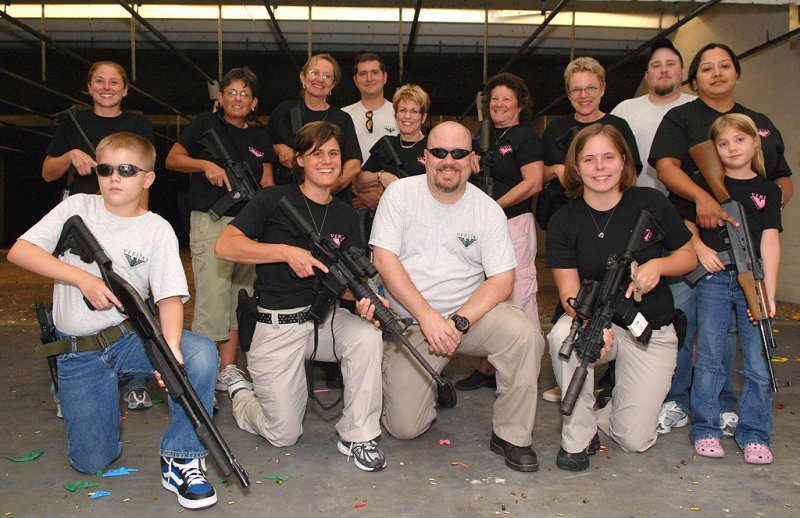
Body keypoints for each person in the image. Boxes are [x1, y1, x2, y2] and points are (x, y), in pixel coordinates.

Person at [8, 132, 219, 510]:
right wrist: (82, 278)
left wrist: (170, 351)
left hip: (127, 339)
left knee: (199, 352)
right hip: (79, 352)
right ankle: (95, 404)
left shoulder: (157, 228)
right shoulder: (76, 208)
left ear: (147, 178)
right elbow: (20, 252)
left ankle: (182, 456)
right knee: (92, 462)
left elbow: (170, 296)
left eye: (126, 169)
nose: (114, 177)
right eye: (105, 169)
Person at [365, 121, 544, 473]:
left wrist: (459, 321)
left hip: (469, 318)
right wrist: (428, 316)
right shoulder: (400, 195)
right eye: (441, 152)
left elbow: (503, 279)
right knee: (404, 428)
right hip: (413, 322)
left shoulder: (487, 209)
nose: (450, 160)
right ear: (425, 157)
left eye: (459, 153)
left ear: (472, 160)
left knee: (524, 334)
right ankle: (433, 384)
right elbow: (383, 260)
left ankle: (512, 435)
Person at [214, 121, 387, 472]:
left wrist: (369, 299)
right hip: (277, 324)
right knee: (284, 433)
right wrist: (284, 252)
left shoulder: (346, 214)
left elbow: (349, 279)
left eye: (334, 153)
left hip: (326, 319)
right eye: (317, 153)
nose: (327, 161)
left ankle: (358, 435)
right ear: (299, 160)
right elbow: (225, 246)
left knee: (368, 335)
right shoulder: (273, 199)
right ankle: (239, 391)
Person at [650, 42, 793, 437]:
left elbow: (780, 178)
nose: (717, 73)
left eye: (725, 65)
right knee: (681, 319)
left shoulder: (757, 121)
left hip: (740, 248)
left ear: (736, 72)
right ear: (694, 78)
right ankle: (677, 400)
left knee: (725, 331)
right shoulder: (681, 117)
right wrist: (705, 199)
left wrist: (763, 211)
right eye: (707, 67)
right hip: (689, 237)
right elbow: (666, 168)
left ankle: (723, 405)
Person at [546, 124, 696, 472]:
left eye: (608, 157)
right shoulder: (563, 220)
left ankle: (613, 407)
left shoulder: (650, 202)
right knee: (562, 339)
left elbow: (688, 256)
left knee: (632, 440)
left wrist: (659, 264)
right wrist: (589, 327)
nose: (600, 167)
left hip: (650, 328)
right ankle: (577, 440)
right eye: (589, 159)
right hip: (596, 321)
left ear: (624, 161)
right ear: (576, 167)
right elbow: (569, 293)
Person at [41, 60, 154, 411]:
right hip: (82, 220)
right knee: (73, 300)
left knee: (132, 293)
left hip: (124, 216)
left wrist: (141, 218)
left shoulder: (138, 124)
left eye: (114, 82)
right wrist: (69, 156)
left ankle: (134, 381)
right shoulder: (71, 123)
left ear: (124, 89)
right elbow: (48, 172)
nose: (107, 87)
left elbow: (144, 174)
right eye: (100, 81)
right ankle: (69, 385)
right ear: (89, 88)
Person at [672, 114, 780, 464]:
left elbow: (769, 243)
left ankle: (755, 434)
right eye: (723, 143)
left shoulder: (768, 190)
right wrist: (701, 250)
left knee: (758, 361)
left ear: (755, 143)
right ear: (714, 149)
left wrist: (767, 292)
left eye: (739, 140)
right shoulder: (703, 185)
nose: (732, 148)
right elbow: (684, 222)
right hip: (713, 279)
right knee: (709, 358)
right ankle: (705, 429)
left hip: (754, 279)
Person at [536, 57, 642, 404]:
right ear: (568, 93)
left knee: (616, 296)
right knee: (569, 301)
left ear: (603, 89)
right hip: (567, 218)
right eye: (576, 89)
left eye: (590, 88)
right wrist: (557, 170)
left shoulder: (617, 125)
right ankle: (568, 372)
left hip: (611, 221)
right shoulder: (556, 128)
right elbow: (547, 172)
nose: (584, 95)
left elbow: (631, 175)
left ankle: (612, 381)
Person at [165, 67, 275, 394]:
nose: (238, 99)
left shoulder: (260, 138)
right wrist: (206, 165)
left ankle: (226, 369)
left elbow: (267, 183)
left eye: (245, 94)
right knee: (212, 298)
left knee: (238, 299)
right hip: (212, 222)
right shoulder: (204, 125)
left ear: (254, 102)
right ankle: (202, 372)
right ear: (221, 96)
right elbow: (173, 158)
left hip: (248, 227)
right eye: (232, 92)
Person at [455, 73, 544, 391]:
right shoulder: (485, 136)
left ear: (520, 104)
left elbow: (533, 181)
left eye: (507, 98)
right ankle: (488, 366)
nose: (499, 104)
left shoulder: (524, 137)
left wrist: (496, 206)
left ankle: (527, 369)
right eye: (494, 99)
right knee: (487, 292)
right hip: (484, 226)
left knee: (520, 292)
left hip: (513, 222)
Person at [268, 53, 361, 200]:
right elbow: (262, 148)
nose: (320, 79)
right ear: (302, 77)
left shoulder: (342, 119)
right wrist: (277, 148)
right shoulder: (284, 111)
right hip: (287, 200)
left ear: (333, 84)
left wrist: (321, 194)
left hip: (331, 202)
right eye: (315, 73)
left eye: (327, 76)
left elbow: (353, 166)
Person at [610, 38, 695, 194]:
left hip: (689, 207)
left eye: (670, 64)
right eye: (656, 65)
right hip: (635, 204)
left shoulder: (698, 108)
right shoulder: (624, 110)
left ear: (682, 72)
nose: (664, 70)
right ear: (646, 75)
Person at [355, 83, 430, 208]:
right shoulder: (387, 144)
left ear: (423, 117)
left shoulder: (432, 147)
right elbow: (359, 179)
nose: (407, 116)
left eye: (414, 111)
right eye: (402, 110)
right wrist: (381, 176)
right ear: (395, 115)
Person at [342, 53, 398, 163]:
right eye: (363, 74)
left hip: (394, 179)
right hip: (351, 179)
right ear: (355, 80)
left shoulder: (401, 114)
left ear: (385, 77)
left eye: (375, 73)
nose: (369, 78)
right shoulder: (343, 115)